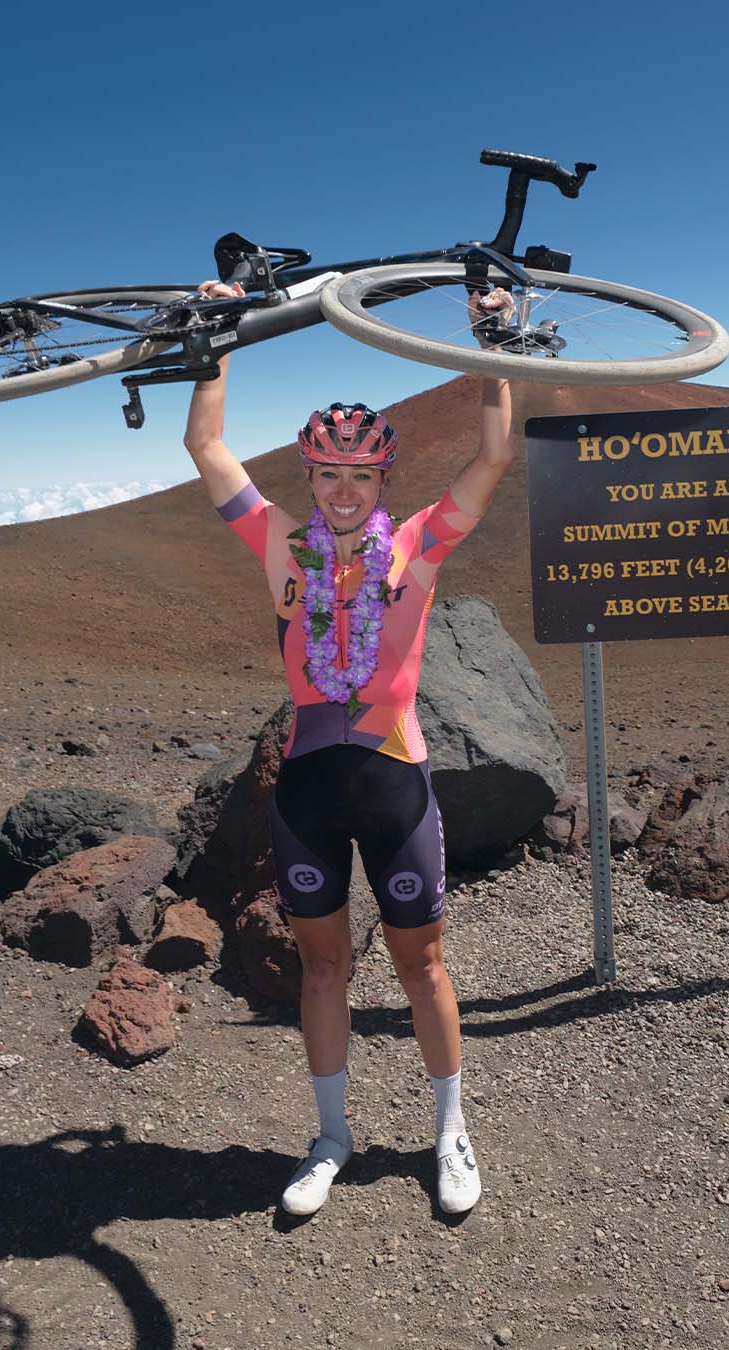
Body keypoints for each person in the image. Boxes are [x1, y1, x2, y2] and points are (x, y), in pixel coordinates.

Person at [182, 281, 517, 1217]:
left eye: (359, 476)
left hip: (394, 780)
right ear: (308, 474)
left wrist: (492, 340)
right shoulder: (278, 544)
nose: (340, 489)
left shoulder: (418, 546)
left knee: (424, 967)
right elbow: (205, 446)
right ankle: (331, 1138)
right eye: (326, 472)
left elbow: (494, 453)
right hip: (306, 794)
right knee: (323, 968)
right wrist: (219, 338)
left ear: (382, 484)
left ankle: (451, 1133)